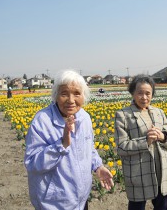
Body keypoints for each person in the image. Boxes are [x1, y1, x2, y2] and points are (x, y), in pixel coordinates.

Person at [24, 69, 114, 210]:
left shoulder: (84, 118)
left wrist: (98, 166)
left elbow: (89, 148)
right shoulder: (42, 122)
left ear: (84, 96)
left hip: (81, 199)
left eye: (77, 93)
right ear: (55, 96)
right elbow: (32, 164)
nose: (71, 100)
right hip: (55, 203)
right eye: (64, 94)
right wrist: (61, 144)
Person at [114, 74, 167, 210]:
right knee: (137, 207)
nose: (144, 97)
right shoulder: (123, 115)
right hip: (139, 173)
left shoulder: (159, 112)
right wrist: (145, 141)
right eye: (140, 93)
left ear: (152, 94)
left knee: (161, 207)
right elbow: (121, 147)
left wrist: (162, 136)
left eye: (148, 93)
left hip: (160, 171)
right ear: (132, 93)